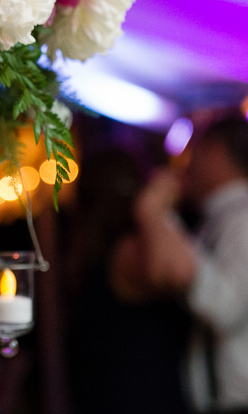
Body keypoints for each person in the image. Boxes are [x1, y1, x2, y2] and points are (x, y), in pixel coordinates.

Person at [135, 117, 248, 414]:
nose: (186, 166)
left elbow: (223, 305)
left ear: (213, 153)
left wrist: (157, 216)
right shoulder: (230, 221)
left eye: (194, 152)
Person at [63, 148, 192, 414]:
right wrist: (152, 208)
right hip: (141, 399)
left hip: (104, 395)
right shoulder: (126, 253)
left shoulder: (92, 252)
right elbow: (180, 272)